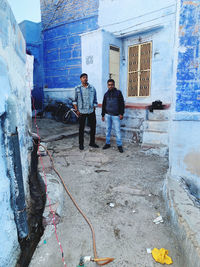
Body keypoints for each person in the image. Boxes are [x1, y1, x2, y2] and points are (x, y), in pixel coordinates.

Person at [73, 73, 99, 150]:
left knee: (93, 127)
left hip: (91, 111)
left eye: (86, 77)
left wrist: (94, 107)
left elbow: (95, 100)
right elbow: (74, 101)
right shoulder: (77, 88)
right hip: (81, 111)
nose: (85, 79)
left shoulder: (92, 88)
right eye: (83, 77)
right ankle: (81, 144)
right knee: (81, 129)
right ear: (81, 79)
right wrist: (77, 110)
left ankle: (92, 142)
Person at [102, 79, 125, 153]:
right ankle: (107, 143)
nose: (110, 86)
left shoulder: (118, 93)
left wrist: (121, 113)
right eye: (109, 85)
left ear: (114, 85)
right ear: (107, 85)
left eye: (112, 84)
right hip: (108, 115)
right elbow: (103, 105)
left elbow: (122, 104)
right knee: (107, 130)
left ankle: (119, 145)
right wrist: (103, 115)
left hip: (116, 116)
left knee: (117, 131)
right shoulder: (106, 94)